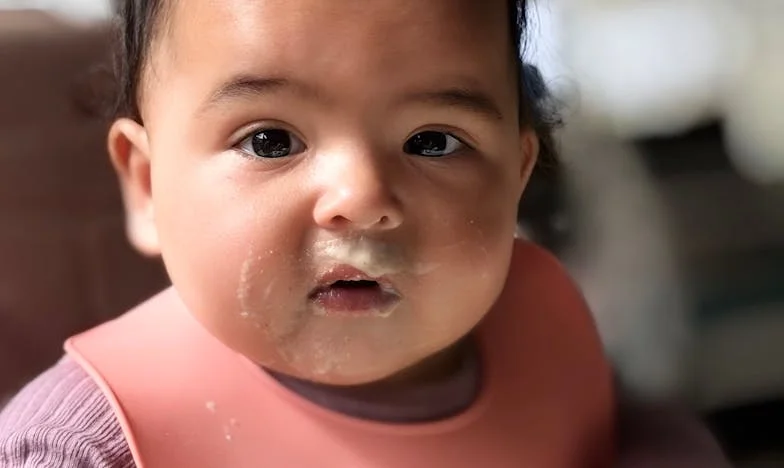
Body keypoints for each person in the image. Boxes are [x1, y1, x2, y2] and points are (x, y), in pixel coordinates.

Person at [0, 0, 729, 466]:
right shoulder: (85, 444)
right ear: (147, 185)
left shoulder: (543, 335)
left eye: (433, 141)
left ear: (515, 176)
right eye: (270, 141)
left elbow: (615, 429)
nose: (362, 198)